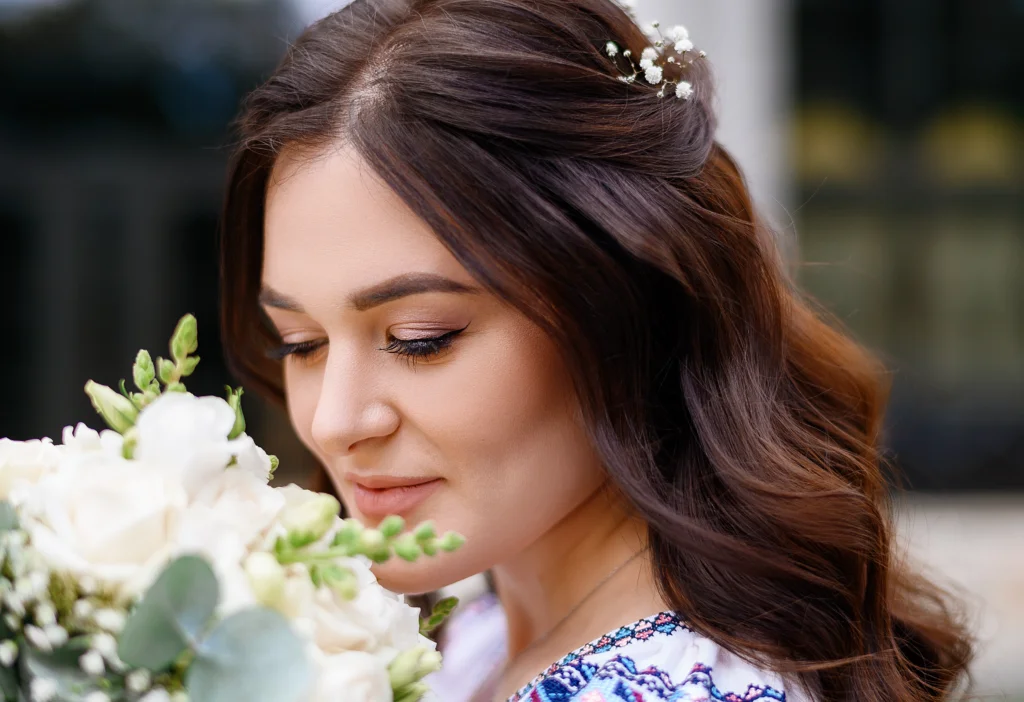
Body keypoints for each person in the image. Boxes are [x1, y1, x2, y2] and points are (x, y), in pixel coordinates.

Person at [219, 0, 973, 699]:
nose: (336, 421)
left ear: (623, 306)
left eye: (421, 339)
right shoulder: (470, 643)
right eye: (302, 343)